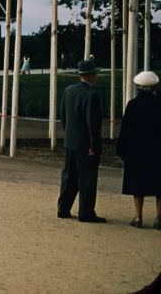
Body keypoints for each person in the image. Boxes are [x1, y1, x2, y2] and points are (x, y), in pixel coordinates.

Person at [57, 59, 105, 223]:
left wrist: (68, 132)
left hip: (71, 140)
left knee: (69, 176)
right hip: (86, 144)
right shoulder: (92, 95)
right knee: (87, 179)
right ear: (91, 75)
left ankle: (63, 208)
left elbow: (62, 114)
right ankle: (86, 212)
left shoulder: (69, 90)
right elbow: (93, 123)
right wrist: (94, 144)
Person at [116, 70, 161, 229]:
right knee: (159, 186)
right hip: (157, 152)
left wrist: (121, 150)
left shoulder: (133, 105)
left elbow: (126, 130)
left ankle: (138, 216)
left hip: (136, 152)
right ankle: (159, 217)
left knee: (138, 186)